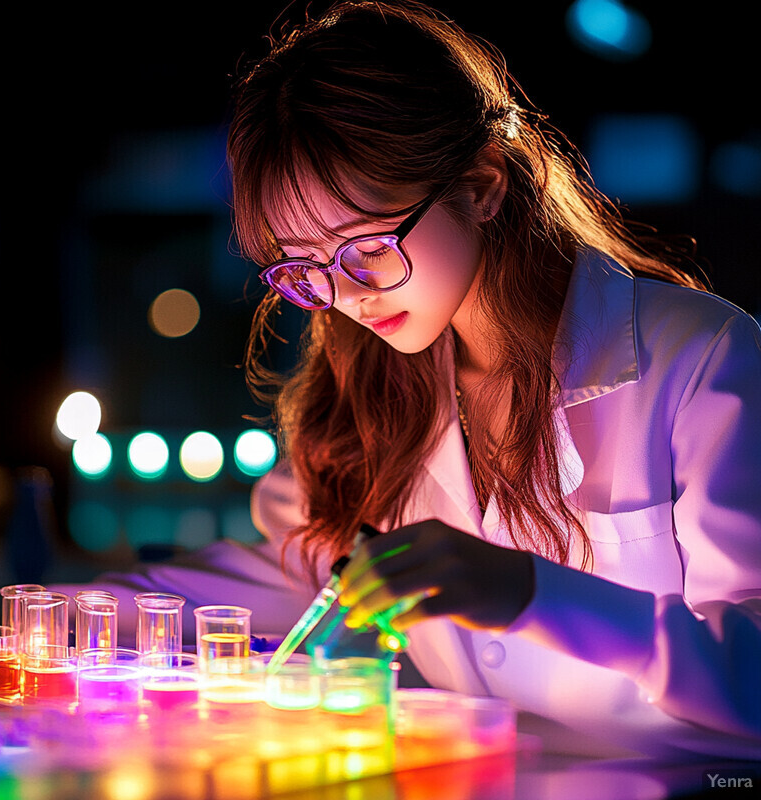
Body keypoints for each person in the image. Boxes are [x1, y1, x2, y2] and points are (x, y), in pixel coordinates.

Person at [54, 0, 761, 760]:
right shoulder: (380, 392)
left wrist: (528, 592)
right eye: (306, 269)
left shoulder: (699, 360)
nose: (346, 295)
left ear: (483, 183)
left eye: (365, 246)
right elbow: (309, 577)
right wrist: (44, 613)